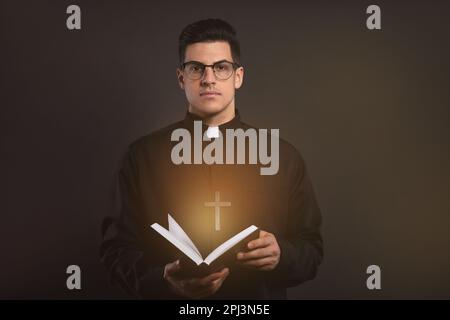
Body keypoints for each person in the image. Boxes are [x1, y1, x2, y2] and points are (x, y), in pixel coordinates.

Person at [100, 18, 323, 299]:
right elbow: (115, 252)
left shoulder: (282, 156)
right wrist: (162, 279)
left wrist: (283, 255)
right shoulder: (141, 157)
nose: (209, 79)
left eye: (221, 67)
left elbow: (311, 249)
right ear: (181, 78)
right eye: (196, 68)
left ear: (238, 76)